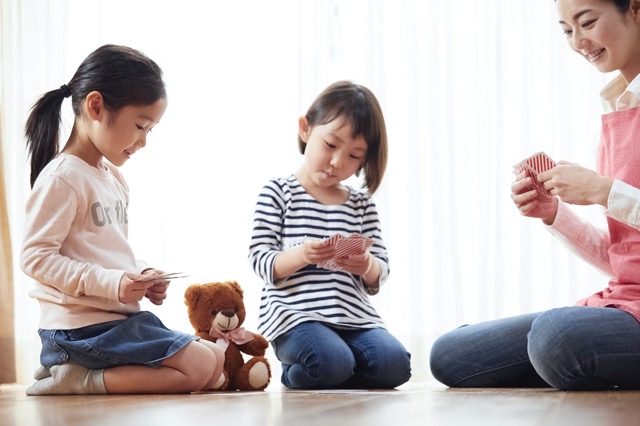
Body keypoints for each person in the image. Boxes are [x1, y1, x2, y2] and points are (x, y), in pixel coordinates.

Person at [429, 0, 640, 390]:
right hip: (626, 302)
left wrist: (603, 190)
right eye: (566, 30)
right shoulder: (618, 108)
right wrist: (554, 213)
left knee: (556, 337)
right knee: (451, 354)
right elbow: (624, 260)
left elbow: (612, 197)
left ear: (635, 9)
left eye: (587, 22)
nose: (579, 41)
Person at [21, 44, 225, 395]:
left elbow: (105, 252)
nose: (143, 141)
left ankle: (87, 373)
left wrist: (141, 274)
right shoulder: (63, 178)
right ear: (96, 106)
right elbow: (35, 258)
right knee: (201, 366)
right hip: (79, 329)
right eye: (140, 126)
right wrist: (113, 284)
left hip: (114, 320)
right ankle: (77, 378)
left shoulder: (111, 177)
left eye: (151, 130)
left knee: (215, 358)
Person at [247, 80, 412, 389]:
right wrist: (301, 255)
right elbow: (260, 259)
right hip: (296, 317)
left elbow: (381, 270)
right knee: (331, 361)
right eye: (331, 145)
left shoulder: (361, 204)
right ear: (305, 129)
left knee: (396, 365)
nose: (338, 162)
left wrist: (366, 265)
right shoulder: (278, 192)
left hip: (354, 317)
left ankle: (338, 368)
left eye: (354, 156)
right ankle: (309, 371)